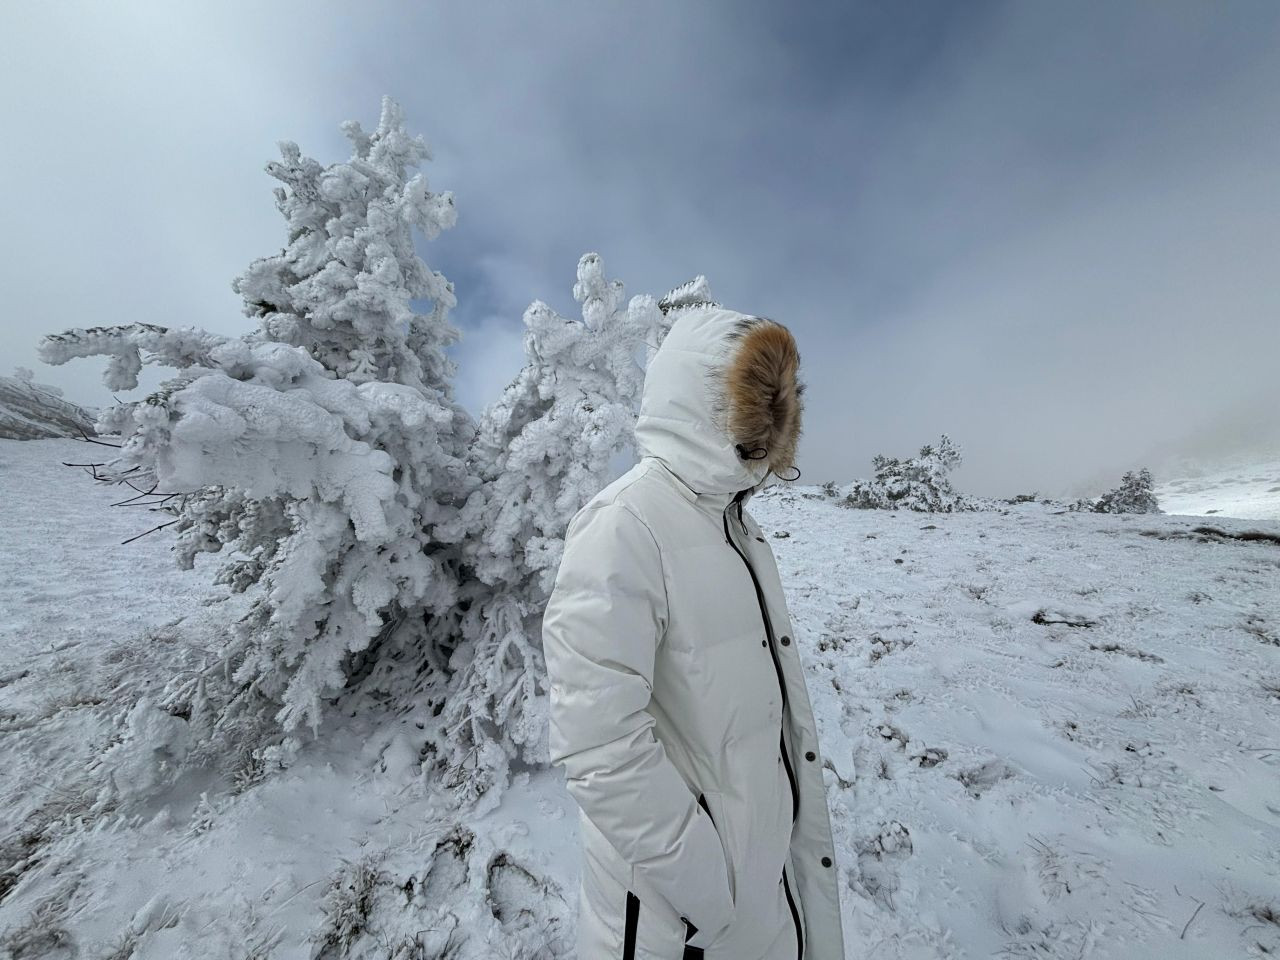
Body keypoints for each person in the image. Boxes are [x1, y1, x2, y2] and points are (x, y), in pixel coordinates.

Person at [542, 303, 845, 959]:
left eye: (776, 401)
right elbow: (597, 744)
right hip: (677, 917)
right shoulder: (627, 523)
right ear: (703, 399)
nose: (768, 417)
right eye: (753, 397)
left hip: (755, 891)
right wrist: (711, 887)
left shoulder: (736, 526)